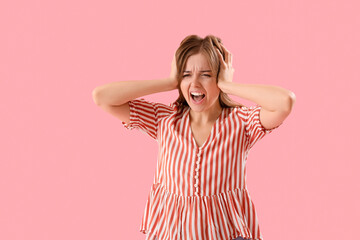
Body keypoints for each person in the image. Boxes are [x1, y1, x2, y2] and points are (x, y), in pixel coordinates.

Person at [92, 34, 296, 240]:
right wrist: (168, 81)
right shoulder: (164, 119)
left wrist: (227, 85)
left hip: (227, 234)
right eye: (186, 74)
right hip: (171, 234)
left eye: (206, 75)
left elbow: (284, 102)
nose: (195, 83)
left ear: (220, 77)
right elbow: (102, 97)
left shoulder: (241, 122)